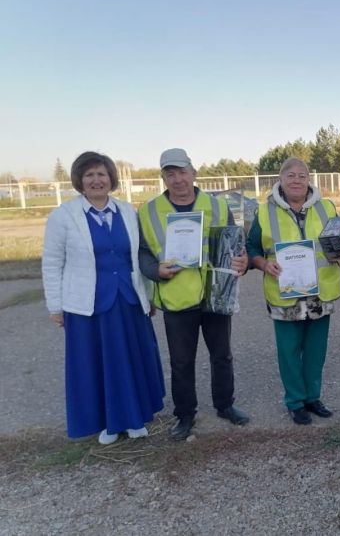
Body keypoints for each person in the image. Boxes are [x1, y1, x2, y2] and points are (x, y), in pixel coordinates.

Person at [42, 151, 165, 445]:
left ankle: (134, 418)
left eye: (101, 174)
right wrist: (55, 306)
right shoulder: (64, 216)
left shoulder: (126, 211)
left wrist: (148, 298)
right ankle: (109, 423)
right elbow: (51, 263)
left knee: (131, 359)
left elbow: (137, 257)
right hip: (89, 306)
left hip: (127, 301)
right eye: (89, 175)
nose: (96, 180)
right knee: (98, 364)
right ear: (79, 181)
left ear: (111, 178)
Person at [138, 148, 249, 440]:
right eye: (170, 173)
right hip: (176, 297)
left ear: (193, 172)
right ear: (163, 177)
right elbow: (143, 253)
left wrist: (242, 259)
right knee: (181, 361)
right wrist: (155, 271)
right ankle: (185, 415)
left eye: (182, 172)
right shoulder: (148, 211)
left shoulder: (217, 205)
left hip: (215, 295)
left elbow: (235, 245)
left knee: (222, 355)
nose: (177, 179)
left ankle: (225, 406)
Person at [247, 157, 340, 425]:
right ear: (280, 180)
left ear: (309, 180)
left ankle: (313, 398)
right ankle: (295, 402)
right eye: (291, 176)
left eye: (302, 176)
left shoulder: (327, 207)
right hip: (283, 294)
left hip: (320, 293)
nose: (296, 180)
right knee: (288, 351)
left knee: (315, 351)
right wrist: (263, 263)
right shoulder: (264, 212)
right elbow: (251, 248)